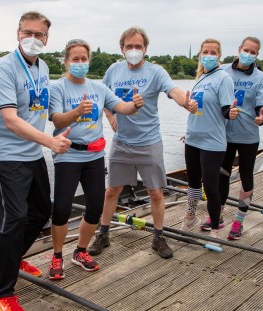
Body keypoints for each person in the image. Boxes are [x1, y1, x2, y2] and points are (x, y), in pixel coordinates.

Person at [0, 11, 71, 311]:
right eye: (27, 33)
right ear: (18, 33)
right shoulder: (3, 68)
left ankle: (9, 258)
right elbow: (10, 120)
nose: (32, 39)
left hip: (32, 152)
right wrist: (50, 141)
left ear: (47, 39)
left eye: (39, 35)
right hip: (8, 155)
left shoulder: (44, 67)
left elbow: (43, 108)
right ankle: (3, 293)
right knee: (15, 218)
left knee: (40, 212)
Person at [88, 27, 198, 259]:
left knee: (156, 193)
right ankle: (104, 234)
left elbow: (174, 91)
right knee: (111, 191)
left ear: (146, 48)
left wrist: (186, 103)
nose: (134, 50)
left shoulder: (156, 71)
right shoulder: (114, 70)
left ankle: (158, 238)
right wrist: (110, 116)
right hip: (121, 143)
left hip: (149, 143)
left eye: (138, 46)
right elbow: (102, 96)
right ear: (122, 49)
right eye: (129, 46)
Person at [47, 39, 144, 280]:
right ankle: (57, 255)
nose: (80, 63)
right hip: (68, 154)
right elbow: (57, 120)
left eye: (84, 59)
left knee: (95, 207)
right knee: (61, 208)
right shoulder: (58, 88)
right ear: (66, 61)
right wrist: (77, 112)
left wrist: (135, 105)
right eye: (75, 59)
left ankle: (80, 252)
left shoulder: (98, 88)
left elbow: (122, 107)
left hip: (94, 155)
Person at [212, 37, 263, 240]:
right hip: (224, 134)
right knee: (222, 174)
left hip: (248, 135)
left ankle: (238, 221)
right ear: (238, 50)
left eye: (253, 52)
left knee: (246, 176)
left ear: (256, 55)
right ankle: (217, 216)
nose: (248, 54)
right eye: (246, 50)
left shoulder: (260, 77)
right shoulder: (223, 70)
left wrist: (262, 118)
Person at [181, 38, 235, 241]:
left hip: (213, 141)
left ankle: (214, 228)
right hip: (193, 137)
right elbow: (198, 109)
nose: (209, 56)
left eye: (213, 53)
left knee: (210, 186)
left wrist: (231, 112)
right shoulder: (200, 78)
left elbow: (225, 108)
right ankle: (191, 215)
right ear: (200, 54)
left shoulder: (223, 78)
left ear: (219, 56)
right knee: (193, 183)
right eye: (206, 52)